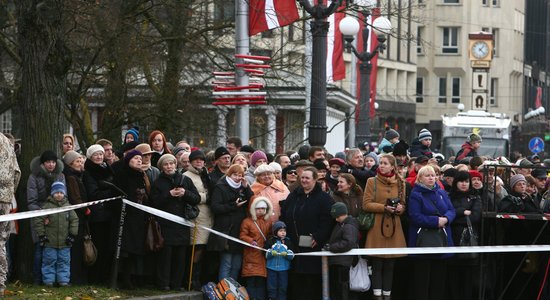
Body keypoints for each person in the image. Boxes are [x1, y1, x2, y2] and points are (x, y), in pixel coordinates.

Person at [280, 166, 334, 300]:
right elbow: (285, 214)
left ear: (315, 179)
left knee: (311, 280)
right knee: (296, 280)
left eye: (307, 178)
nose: (304, 180)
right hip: (294, 244)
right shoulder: (293, 195)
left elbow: (327, 221)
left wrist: (319, 236)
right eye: (302, 178)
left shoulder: (324, 199)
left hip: (313, 244)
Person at [151, 153, 200, 291]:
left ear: (175, 164)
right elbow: (154, 202)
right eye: (166, 164)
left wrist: (185, 193)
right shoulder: (158, 183)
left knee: (180, 256)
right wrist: (169, 195)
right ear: (162, 167)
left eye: (171, 163)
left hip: (182, 224)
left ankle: (177, 284)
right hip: (165, 224)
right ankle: (163, 283)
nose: (169, 166)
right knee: (165, 256)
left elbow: (196, 198)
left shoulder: (185, 180)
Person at [407, 165, 455, 300]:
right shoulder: (416, 195)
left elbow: (451, 210)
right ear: (420, 178)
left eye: (433, 175)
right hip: (423, 241)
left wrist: (446, 219)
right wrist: (435, 221)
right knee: (422, 282)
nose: (431, 178)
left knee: (439, 282)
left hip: (442, 240)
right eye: (427, 175)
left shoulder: (442, 193)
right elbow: (415, 216)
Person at [363, 154, 407, 300]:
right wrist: (384, 207)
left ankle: (387, 295)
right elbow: (366, 204)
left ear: (392, 166)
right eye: (380, 163)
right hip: (377, 226)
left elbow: (403, 204)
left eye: (385, 163)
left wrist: (401, 208)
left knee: (390, 265)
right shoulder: (371, 181)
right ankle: (377, 296)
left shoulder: (401, 182)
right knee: (377, 264)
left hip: (394, 226)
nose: (381, 165)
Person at [207, 164, 253, 281]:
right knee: (226, 263)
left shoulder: (243, 187)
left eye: (240, 175)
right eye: (235, 175)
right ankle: (224, 289)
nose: (237, 177)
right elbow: (215, 207)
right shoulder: (221, 187)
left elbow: (252, 201)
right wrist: (233, 206)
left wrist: (246, 187)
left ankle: (233, 291)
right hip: (226, 230)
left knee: (236, 265)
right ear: (229, 174)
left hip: (239, 230)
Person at [27, 150, 65, 284]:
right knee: (39, 248)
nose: (51, 165)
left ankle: (53, 280)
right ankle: (37, 279)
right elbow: (31, 201)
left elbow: (63, 198)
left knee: (55, 250)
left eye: (53, 162)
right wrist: (44, 216)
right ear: (43, 163)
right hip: (39, 216)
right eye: (48, 162)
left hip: (57, 217)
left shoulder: (60, 175)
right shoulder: (34, 177)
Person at [113, 150, 149, 289]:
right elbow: (116, 195)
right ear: (128, 160)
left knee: (134, 251)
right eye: (135, 158)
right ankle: (119, 278)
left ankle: (131, 278)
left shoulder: (141, 175)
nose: (139, 160)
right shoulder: (122, 175)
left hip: (138, 218)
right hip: (125, 217)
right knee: (123, 251)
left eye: (140, 158)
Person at [82, 144, 117, 284]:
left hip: (109, 214)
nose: (99, 157)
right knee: (99, 247)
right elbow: (93, 194)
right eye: (96, 154)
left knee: (108, 248)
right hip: (98, 216)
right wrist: (112, 193)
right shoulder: (89, 172)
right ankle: (95, 278)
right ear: (90, 157)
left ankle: (105, 276)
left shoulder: (108, 169)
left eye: (101, 154)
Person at [33, 182, 78, 287]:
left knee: (64, 261)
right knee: (49, 261)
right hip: (49, 242)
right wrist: (42, 235)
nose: (59, 194)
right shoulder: (47, 206)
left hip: (65, 242)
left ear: (64, 194)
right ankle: (48, 281)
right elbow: (39, 220)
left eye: (61, 192)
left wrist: (72, 235)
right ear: (52, 194)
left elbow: (74, 220)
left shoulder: (68, 207)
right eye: (56, 192)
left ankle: (63, 281)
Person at [447, 171, 481, 300]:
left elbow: (475, 217)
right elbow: (448, 214)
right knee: (453, 279)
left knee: (468, 280)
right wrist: (462, 212)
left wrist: (456, 216)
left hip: (468, 242)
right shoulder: (449, 196)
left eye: (466, 181)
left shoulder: (475, 197)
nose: (464, 184)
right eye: (461, 181)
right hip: (452, 241)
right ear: (456, 182)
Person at [62, 150, 89, 284]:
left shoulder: (78, 175)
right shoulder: (72, 178)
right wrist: (85, 209)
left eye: (81, 161)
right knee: (76, 247)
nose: (80, 164)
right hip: (77, 216)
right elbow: (75, 197)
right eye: (77, 161)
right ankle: (75, 277)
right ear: (70, 163)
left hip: (80, 215)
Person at [239, 197, 273, 300]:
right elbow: (242, 235)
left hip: (263, 256)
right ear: (253, 209)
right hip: (251, 254)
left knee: (261, 281)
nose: (261, 210)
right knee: (251, 281)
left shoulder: (268, 221)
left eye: (263, 208)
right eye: (258, 208)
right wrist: (251, 241)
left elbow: (270, 236)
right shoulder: (247, 222)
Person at [325, 202, 359, 300]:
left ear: (342, 214)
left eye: (337, 216)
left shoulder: (348, 226)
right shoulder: (342, 224)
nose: (335, 219)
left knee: (341, 289)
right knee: (338, 288)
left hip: (342, 262)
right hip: (339, 261)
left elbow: (348, 243)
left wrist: (331, 247)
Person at [0, 133, 20, 294]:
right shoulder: (7, 141)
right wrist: (8, 194)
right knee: (0, 242)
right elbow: (17, 172)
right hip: (5, 199)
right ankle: (0, 284)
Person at [265, 221, 294, 300]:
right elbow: (265, 254)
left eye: (284, 231)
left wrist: (287, 253)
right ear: (275, 232)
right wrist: (271, 253)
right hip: (271, 268)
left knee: (283, 286)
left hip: (284, 269)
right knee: (271, 286)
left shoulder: (288, 241)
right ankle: (272, 298)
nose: (283, 233)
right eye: (280, 231)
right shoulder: (270, 241)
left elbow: (292, 255)